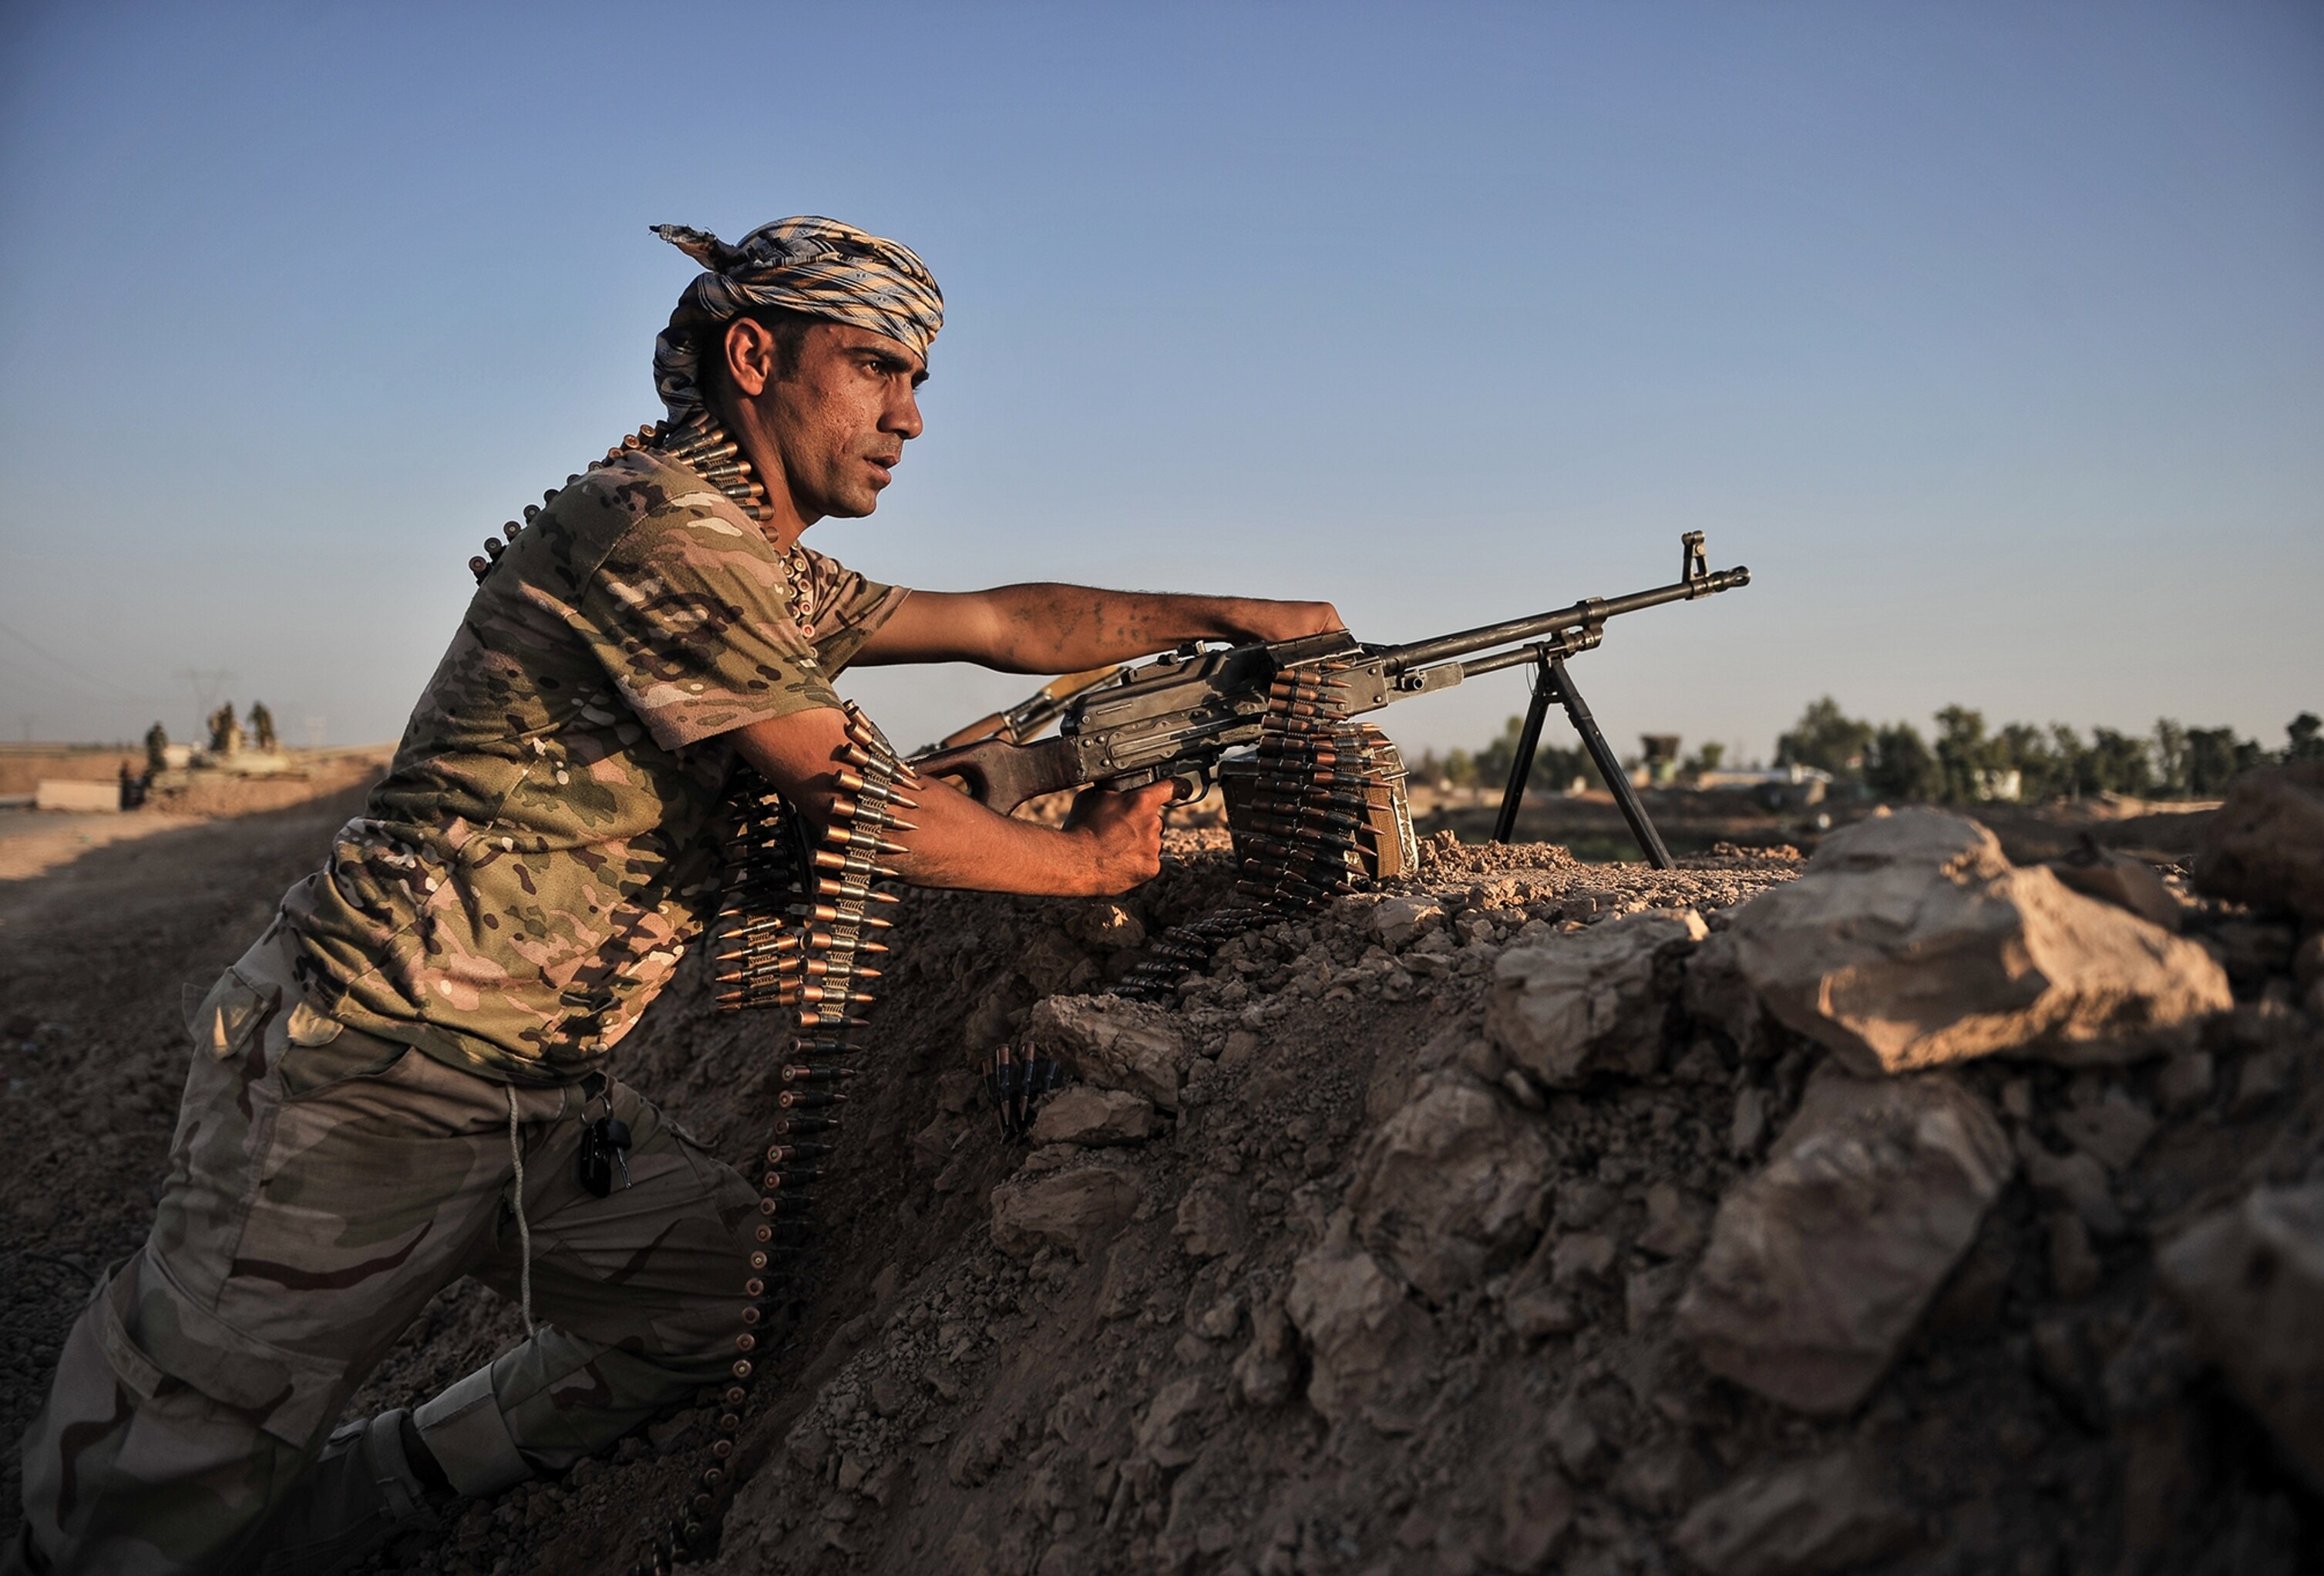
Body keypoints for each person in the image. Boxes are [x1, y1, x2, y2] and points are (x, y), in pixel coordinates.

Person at [8, 216, 1340, 1574]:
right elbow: (851, 796)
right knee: (149, 1486)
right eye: (879, 367)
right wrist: (1087, 863)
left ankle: (348, 1508)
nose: (912, 417)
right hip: (367, 1072)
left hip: (537, 1095)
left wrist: (1234, 616)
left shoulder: (762, 563)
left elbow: (1003, 626)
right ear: (754, 354)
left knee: (722, 1308)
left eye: (922, 380)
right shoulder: (658, 529)